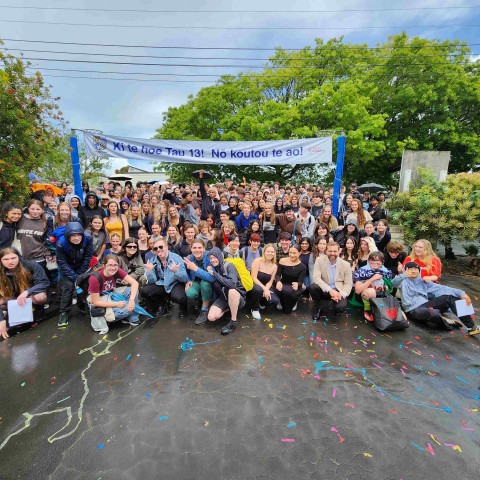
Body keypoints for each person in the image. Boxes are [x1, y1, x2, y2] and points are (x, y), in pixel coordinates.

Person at [392, 261, 479, 335]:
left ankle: (471, 326)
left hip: (426, 305)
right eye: (410, 269)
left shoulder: (424, 282)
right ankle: (446, 322)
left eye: (415, 269)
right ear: (405, 270)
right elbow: (393, 283)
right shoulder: (402, 281)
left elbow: (443, 289)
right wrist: (403, 275)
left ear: (419, 271)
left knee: (451, 297)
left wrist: (462, 294)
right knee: (431, 313)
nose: (413, 271)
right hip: (413, 310)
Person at [0, 247, 49, 339]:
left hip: (29, 295)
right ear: (1, 261)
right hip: (11, 297)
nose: (10, 262)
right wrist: (1, 320)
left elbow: (44, 283)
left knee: (40, 297)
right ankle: (13, 315)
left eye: (13, 258)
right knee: (1, 302)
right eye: (5, 259)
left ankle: (36, 311)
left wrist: (27, 291)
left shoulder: (31, 265)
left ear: (19, 257)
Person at [87, 254, 140, 328]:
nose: (113, 268)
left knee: (131, 292)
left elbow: (134, 283)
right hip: (102, 301)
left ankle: (132, 318)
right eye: (110, 265)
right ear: (104, 266)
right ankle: (107, 318)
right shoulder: (94, 279)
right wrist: (116, 304)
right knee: (129, 308)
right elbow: (95, 302)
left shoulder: (117, 270)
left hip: (111, 295)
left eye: (115, 265)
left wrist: (131, 300)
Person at [56, 222, 93, 326]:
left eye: (78, 235)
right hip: (67, 268)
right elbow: (61, 262)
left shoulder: (88, 239)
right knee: (67, 288)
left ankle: (82, 305)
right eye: (73, 236)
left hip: (82, 267)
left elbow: (88, 257)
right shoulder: (61, 244)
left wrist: (80, 275)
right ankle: (63, 313)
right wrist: (74, 277)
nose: (76, 238)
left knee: (84, 287)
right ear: (68, 236)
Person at [142, 237, 188, 316]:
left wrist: (176, 271)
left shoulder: (176, 258)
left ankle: (183, 307)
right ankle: (162, 303)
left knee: (179, 297)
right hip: (162, 283)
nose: (159, 249)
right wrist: (149, 272)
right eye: (156, 248)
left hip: (175, 283)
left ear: (166, 246)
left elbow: (184, 278)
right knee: (145, 291)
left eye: (161, 247)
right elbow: (152, 281)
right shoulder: (153, 260)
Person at [206, 247, 247, 335]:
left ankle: (233, 321)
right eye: (211, 258)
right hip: (224, 298)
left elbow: (232, 284)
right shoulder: (213, 268)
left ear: (219, 256)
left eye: (214, 257)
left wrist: (215, 275)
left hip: (238, 297)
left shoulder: (229, 265)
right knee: (211, 317)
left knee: (231, 291)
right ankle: (229, 308)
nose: (213, 260)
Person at [310, 242, 353, 320]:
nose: (332, 253)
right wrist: (330, 290)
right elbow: (316, 278)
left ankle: (336, 309)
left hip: (338, 291)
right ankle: (318, 307)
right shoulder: (319, 260)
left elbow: (348, 283)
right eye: (330, 251)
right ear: (326, 251)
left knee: (340, 307)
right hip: (325, 289)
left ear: (339, 251)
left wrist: (341, 294)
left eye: (335, 251)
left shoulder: (346, 264)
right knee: (313, 287)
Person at [182, 238, 215, 325]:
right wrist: (187, 281)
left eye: (199, 248)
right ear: (191, 248)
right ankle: (202, 299)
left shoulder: (209, 257)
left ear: (204, 248)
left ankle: (204, 309)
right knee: (190, 293)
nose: (197, 250)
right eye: (195, 248)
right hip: (195, 281)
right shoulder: (189, 258)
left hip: (207, 283)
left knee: (205, 284)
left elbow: (212, 278)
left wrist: (195, 269)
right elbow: (184, 272)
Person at [354, 251, 393, 321]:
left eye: (378, 260)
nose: (375, 262)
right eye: (373, 260)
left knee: (402, 316)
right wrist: (372, 279)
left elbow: (390, 288)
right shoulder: (362, 271)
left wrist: (386, 287)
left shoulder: (386, 271)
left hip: (379, 296)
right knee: (371, 291)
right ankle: (368, 310)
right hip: (363, 296)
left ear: (382, 262)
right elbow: (357, 291)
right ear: (369, 261)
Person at [16, 199, 50, 272]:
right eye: (32, 209)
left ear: (42, 210)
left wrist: (48, 254)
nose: (35, 211)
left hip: (39, 259)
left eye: (38, 209)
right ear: (28, 209)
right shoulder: (20, 220)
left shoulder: (45, 222)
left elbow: (46, 241)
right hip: (21, 258)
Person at [249, 243, 280, 320]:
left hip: (265, 286)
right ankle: (255, 309)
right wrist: (265, 289)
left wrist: (266, 289)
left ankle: (261, 302)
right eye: (268, 251)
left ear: (274, 253)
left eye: (272, 252)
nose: (270, 253)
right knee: (258, 289)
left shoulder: (274, 266)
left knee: (275, 301)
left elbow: (270, 281)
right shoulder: (257, 261)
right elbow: (254, 278)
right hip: (254, 285)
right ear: (264, 252)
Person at [275, 244, 306, 314]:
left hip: (293, 286)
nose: (292, 255)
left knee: (287, 310)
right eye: (290, 253)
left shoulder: (302, 266)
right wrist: (278, 281)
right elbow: (278, 275)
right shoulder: (282, 261)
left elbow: (301, 281)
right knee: (279, 288)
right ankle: (281, 300)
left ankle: (294, 301)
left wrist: (297, 283)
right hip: (283, 283)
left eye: (294, 253)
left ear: (299, 253)